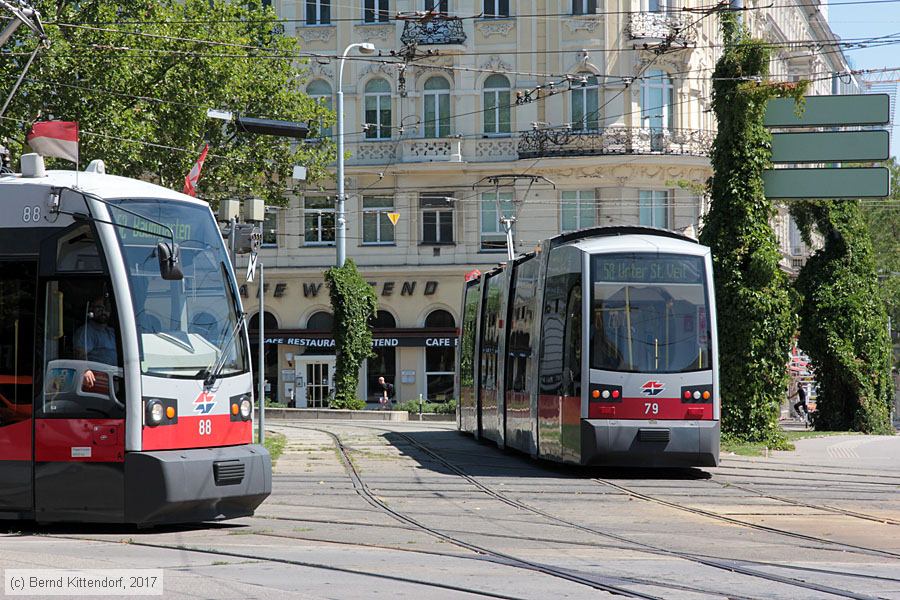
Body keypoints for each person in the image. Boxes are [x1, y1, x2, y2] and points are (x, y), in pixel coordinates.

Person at [74, 294, 117, 388]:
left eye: (106, 309)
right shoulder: (86, 331)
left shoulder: (112, 332)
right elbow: (79, 354)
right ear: (91, 310)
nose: (103, 312)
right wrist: (85, 370)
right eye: (99, 308)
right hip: (97, 381)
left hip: (116, 378)